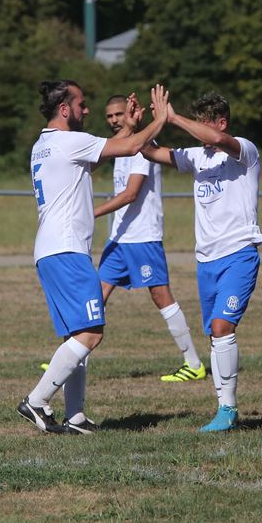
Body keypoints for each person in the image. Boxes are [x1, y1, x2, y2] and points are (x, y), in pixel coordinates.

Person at [20, 80, 168, 435]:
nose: (88, 111)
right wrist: (160, 118)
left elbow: (105, 154)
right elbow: (131, 147)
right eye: (82, 105)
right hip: (66, 250)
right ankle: (36, 401)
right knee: (90, 333)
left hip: (52, 250)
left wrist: (131, 125)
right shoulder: (70, 141)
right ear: (66, 109)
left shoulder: (44, 144)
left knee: (78, 333)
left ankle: (75, 417)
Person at [140, 89, 262, 432]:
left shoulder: (244, 151)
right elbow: (150, 152)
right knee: (215, 334)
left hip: (239, 253)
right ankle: (224, 408)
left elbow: (218, 138)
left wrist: (175, 118)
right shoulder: (197, 156)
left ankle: (228, 410)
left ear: (220, 122)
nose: (198, 131)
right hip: (205, 260)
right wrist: (147, 125)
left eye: (202, 123)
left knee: (224, 327)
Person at [93, 93, 205, 382]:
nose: (115, 120)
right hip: (119, 239)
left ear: (133, 113)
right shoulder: (121, 148)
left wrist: (90, 213)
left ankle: (193, 363)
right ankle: (70, 358)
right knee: (94, 296)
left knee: (161, 297)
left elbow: (130, 194)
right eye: (110, 116)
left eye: (120, 114)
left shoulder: (143, 149)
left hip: (143, 238)